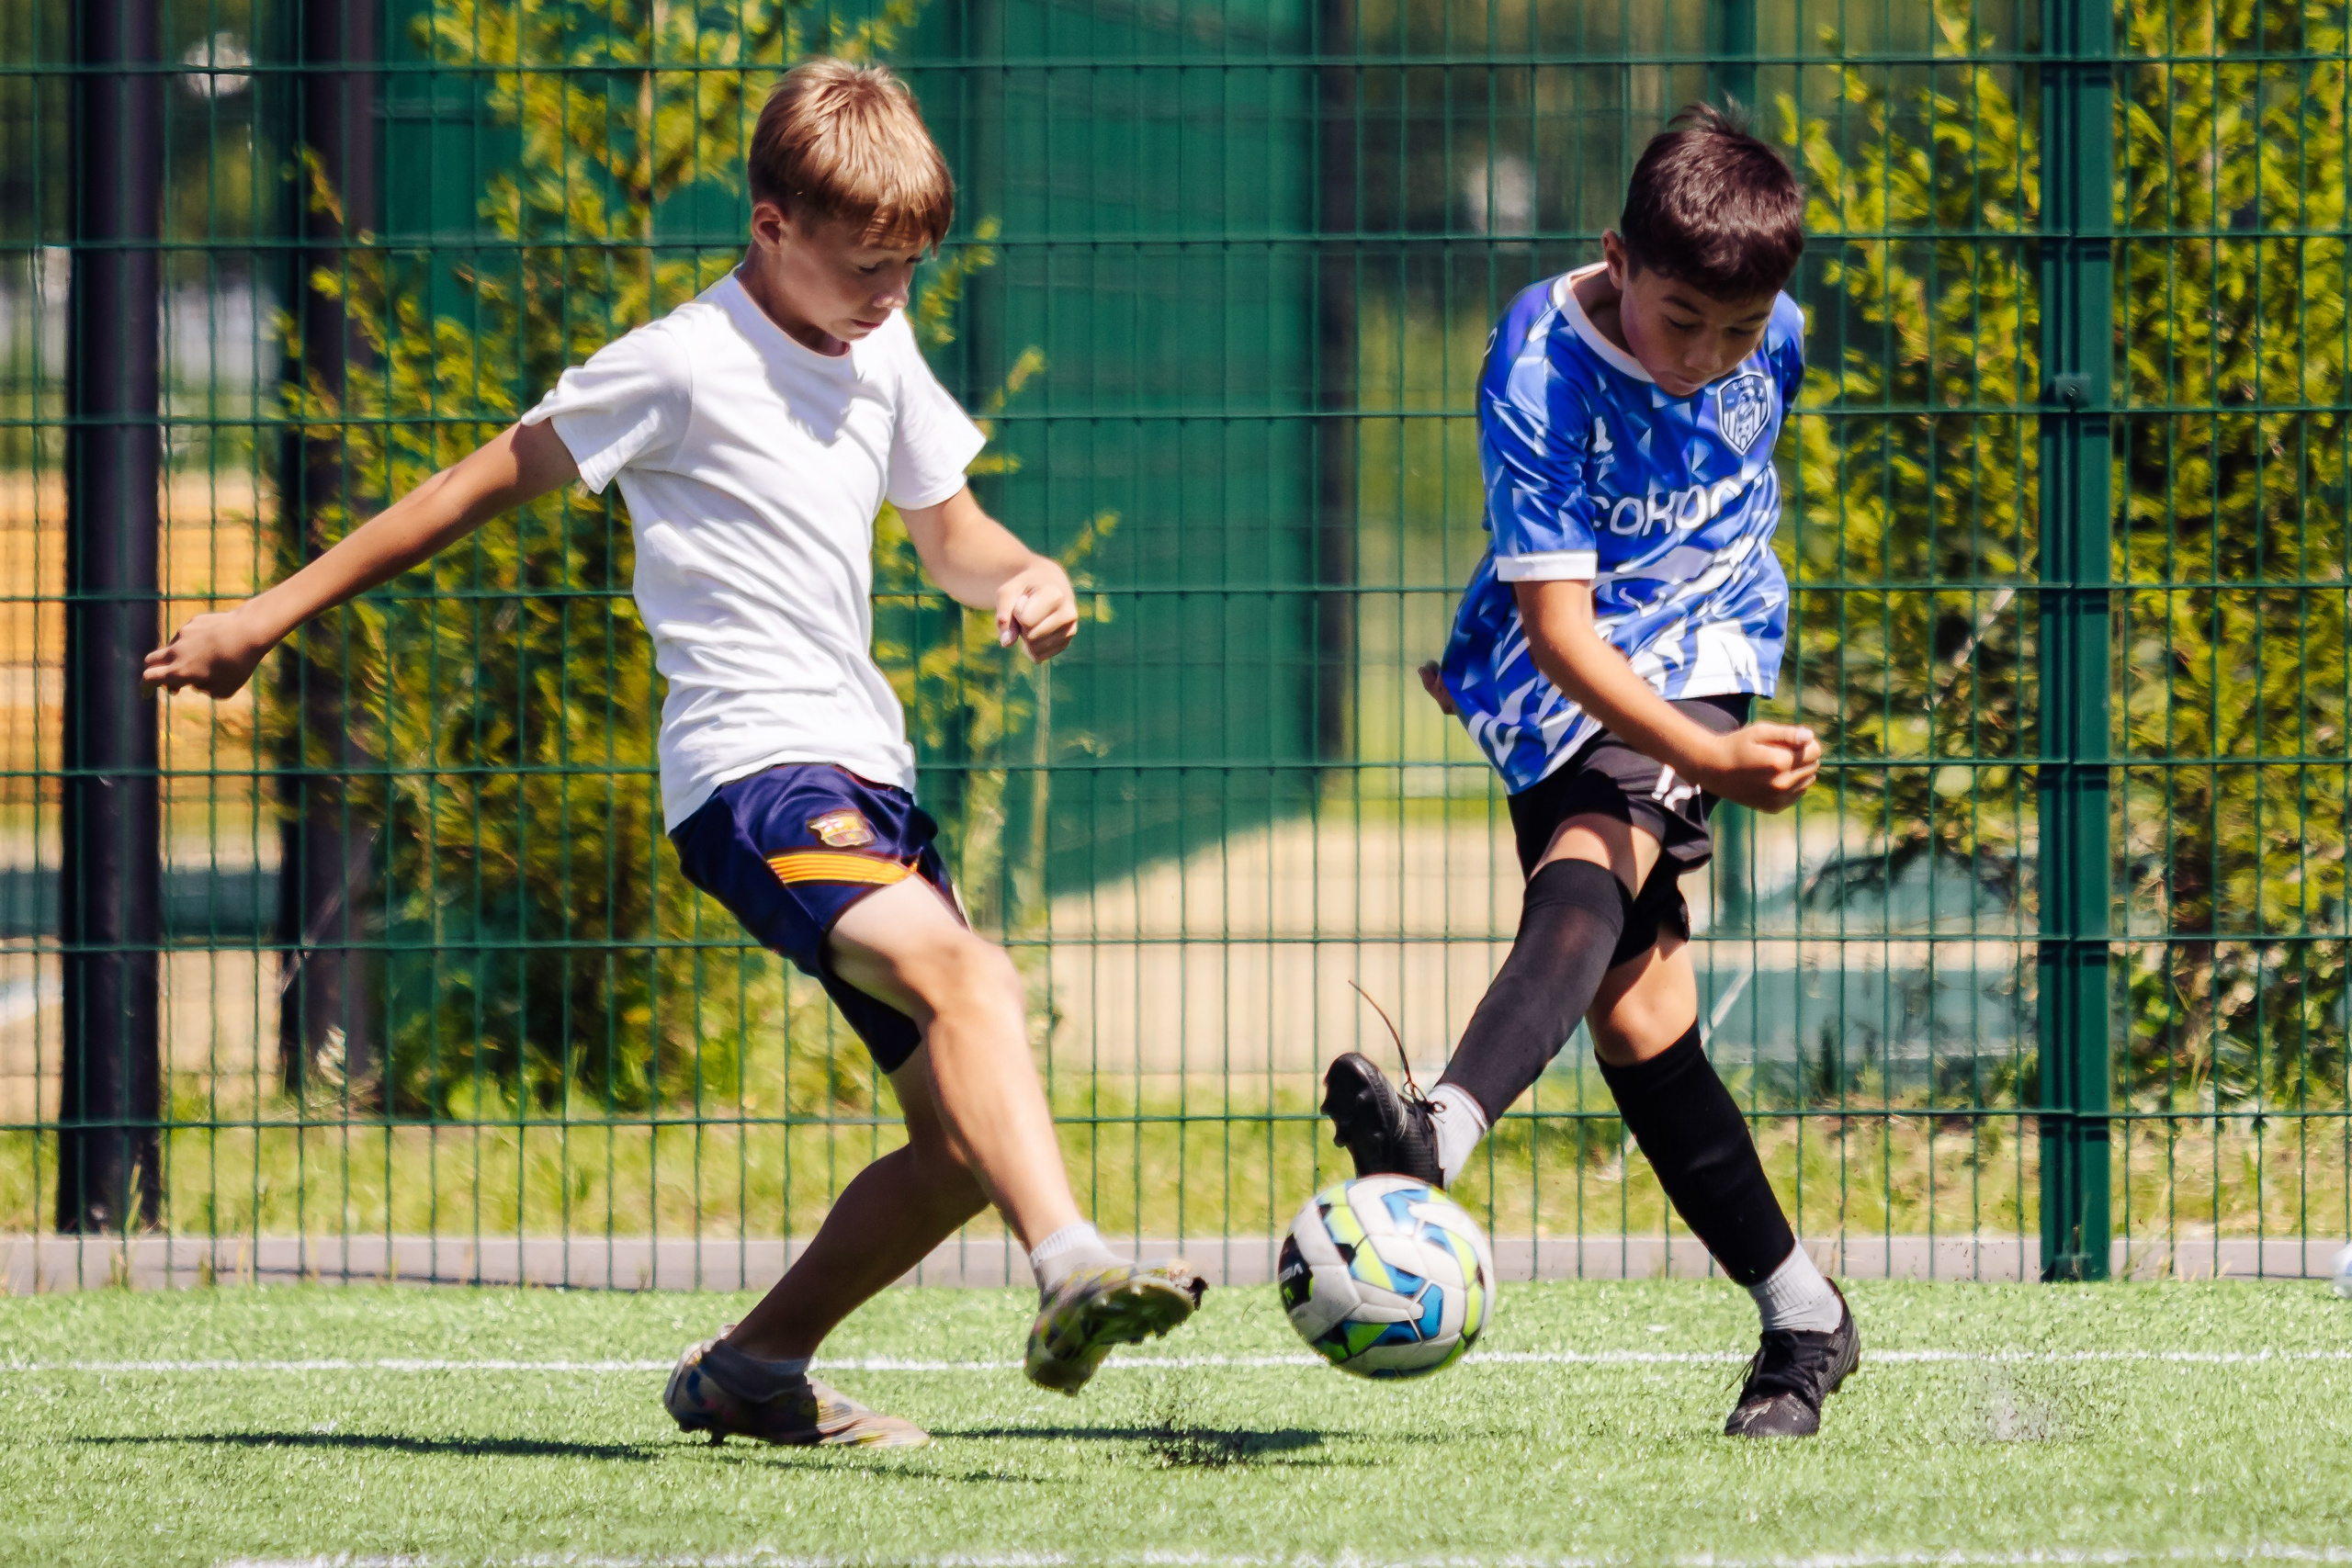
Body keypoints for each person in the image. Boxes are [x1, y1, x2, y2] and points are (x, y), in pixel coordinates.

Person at [143, 57, 1203, 1450]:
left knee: (955, 1150)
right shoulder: (682, 359)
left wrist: (1027, 572)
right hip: (753, 777)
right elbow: (472, 487)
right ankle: (1074, 1269)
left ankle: (752, 1369)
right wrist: (264, 618)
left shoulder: (876, 346)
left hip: (864, 778)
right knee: (973, 975)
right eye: (864, 263)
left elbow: (951, 536)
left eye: (908, 269)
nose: (888, 294)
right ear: (771, 226)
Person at [1319, 104, 1858, 1438]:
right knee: (1639, 1020)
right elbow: (1559, 621)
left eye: (1740, 331)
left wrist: (1709, 734)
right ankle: (1807, 1319)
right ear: (1617, 258)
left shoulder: (1772, 339)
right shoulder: (1537, 363)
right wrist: (1697, 754)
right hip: (1565, 663)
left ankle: (1436, 1135)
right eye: (1685, 322)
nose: (1712, 357)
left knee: (1590, 866)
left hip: (1705, 644)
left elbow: (1719, 503)